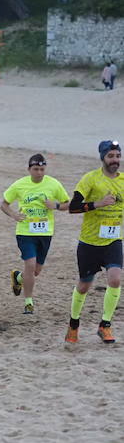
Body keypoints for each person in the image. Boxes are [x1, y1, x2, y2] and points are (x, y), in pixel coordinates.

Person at [66, 140, 124, 345]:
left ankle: (105, 325)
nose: (115, 160)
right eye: (111, 156)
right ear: (102, 158)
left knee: (115, 279)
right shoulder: (90, 179)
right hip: (89, 242)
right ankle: (73, 325)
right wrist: (98, 204)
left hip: (113, 241)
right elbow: (72, 208)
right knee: (84, 286)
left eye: (118, 156)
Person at [0, 154, 70, 314]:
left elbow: (69, 203)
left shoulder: (53, 184)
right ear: (29, 169)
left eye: (42, 169)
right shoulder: (19, 185)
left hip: (45, 233)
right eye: (35, 169)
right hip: (25, 232)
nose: (39, 172)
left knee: (35, 271)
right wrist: (14, 215)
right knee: (30, 265)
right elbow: (4, 204)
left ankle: (18, 278)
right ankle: (28, 303)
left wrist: (56, 205)